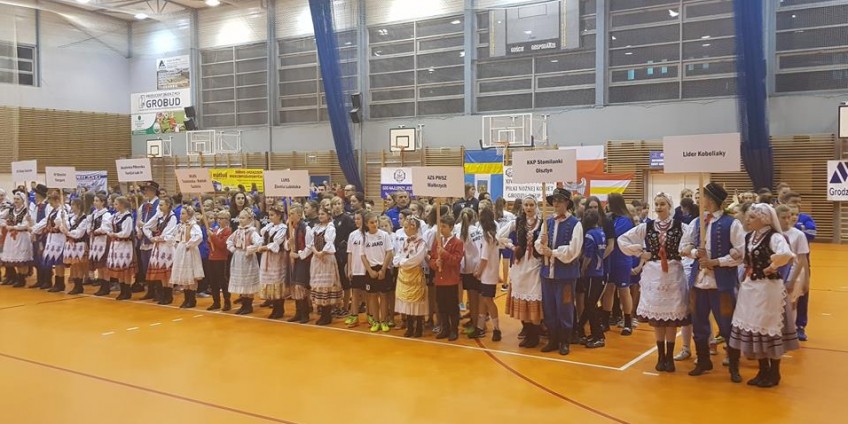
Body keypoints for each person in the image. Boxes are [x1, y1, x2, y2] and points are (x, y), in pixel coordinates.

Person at [729, 203, 799, 388]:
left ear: (764, 219)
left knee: (767, 327)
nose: (748, 219)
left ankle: (774, 372)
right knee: (755, 328)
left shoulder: (774, 237)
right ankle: (762, 370)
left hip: (768, 289)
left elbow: (786, 254)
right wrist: (735, 254)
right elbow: (744, 256)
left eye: (752, 217)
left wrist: (773, 266)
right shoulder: (749, 237)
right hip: (751, 288)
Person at [619, 193, 690, 372]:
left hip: (673, 274)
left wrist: (687, 250)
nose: (659, 208)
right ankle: (660, 356)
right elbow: (622, 239)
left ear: (669, 206)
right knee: (658, 318)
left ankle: (670, 356)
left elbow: (692, 242)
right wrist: (639, 252)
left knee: (671, 318)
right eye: (657, 204)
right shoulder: (647, 226)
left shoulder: (681, 226)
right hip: (654, 274)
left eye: (662, 204)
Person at [680, 183, 745, 380]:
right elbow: (683, 247)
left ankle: (734, 366)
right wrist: (694, 252)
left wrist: (716, 262)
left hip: (721, 284)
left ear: (711, 200)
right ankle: (703, 360)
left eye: (703, 196)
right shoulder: (696, 222)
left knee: (726, 325)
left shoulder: (732, 224)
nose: (700, 200)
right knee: (699, 324)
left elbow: (741, 253)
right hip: (698, 283)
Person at [536, 188, 583, 356]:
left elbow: (573, 250)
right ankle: (553, 339)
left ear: (567, 203)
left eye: (559, 200)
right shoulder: (547, 222)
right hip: (547, 274)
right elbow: (538, 244)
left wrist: (553, 252)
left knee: (565, 308)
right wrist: (541, 245)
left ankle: (565, 341)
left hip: (566, 275)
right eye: (554, 200)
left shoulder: (575, 224)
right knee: (549, 308)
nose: (556, 203)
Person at [499, 196, 543, 348]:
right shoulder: (517, 222)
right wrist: (513, 247)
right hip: (521, 265)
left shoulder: (542, 223)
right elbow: (500, 236)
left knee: (534, 298)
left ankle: (535, 336)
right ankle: (528, 332)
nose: (529, 208)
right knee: (523, 297)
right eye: (526, 205)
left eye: (531, 205)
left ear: (535, 206)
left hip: (535, 265)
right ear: (523, 207)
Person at [600, 193, 635, 336]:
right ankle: (605, 321)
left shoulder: (625, 219)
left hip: (622, 259)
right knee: (608, 289)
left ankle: (628, 323)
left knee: (623, 290)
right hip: (609, 259)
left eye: (609, 202)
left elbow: (613, 235)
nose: (607, 205)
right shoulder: (609, 217)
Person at [782, 190, 815, 341]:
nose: (798, 206)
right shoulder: (779, 226)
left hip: (801, 263)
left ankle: (799, 326)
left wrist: (798, 226)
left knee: (799, 297)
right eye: (793, 203)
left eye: (799, 204)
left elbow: (811, 233)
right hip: (782, 268)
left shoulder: (805, 219)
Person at [305, 208, 344, 325]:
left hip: (326, 258)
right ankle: (323, 313)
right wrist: (316, 252)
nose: (320, 216)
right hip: (317, 259)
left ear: (328, 215)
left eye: (323, 214)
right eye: (319, 214)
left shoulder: (330, 228)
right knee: (319, 285)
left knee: (326, 286)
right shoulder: (315, 228)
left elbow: (329, 243)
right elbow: (310, 243)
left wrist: (321, 253)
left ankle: (327, 315)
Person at [429, 213, 464, 341]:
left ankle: (454, 329)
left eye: (444, 226)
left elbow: (456, 260)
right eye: (440, 226)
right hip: (440, 280)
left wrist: (444, 254)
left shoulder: (457, 243)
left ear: (451, 227)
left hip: (451, 280)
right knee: (441, 305)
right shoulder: (437, 242)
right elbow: (432, 259)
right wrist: (435, 263)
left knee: (452, 306)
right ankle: (445, 328)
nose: (441, 229)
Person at [393, 216, 429, 337]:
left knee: (417, 301)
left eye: (406, 227)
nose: (404, 229)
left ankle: (418, 326)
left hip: (415, 275)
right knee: (407, 301)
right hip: (404, 275)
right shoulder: (406, 241)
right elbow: (398, 254)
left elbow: (417, 259)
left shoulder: (421, 243)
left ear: (414, 228)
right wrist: (398, 261)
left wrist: (402, 263)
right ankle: (409, 326)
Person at [471, 207, 502, 342]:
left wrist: (478, 271)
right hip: (489, 273)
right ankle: (479, 326)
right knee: (483, 300)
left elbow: (484, 258)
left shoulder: (487, 236)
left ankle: (497, 329)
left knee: (488, 301)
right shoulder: (492, 235)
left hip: (488, 274)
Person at [361, 212, 394, 332]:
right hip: (371, 269)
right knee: (373, 296)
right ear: (366, 224)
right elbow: (363, 256)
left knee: (384, 296)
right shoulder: (364, 237)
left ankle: (384, 320)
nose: (374, 224)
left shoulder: (384, 235)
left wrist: (383, 270)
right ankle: (376, 321)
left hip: (383, 268)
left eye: (376, 221)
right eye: (372, 222)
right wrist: (370, 271)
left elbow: (389, 252)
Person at [578, 209, 606, 348]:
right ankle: (580, 328)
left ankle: (598, 336)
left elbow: (588, 256)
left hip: (592, 274)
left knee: (590, 304)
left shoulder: (589, 235)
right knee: (591, 303)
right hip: (600, 272)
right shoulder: (601, 232)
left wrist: (583, 269)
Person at [167, 206, 204, 309]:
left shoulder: (193, 226)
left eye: (183, 214)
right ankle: (186, 298)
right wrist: (174, 243)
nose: (181, 215)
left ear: (189, 215)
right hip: (181, 250)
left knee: (191, 274)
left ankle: (192, 299)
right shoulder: (180, 226)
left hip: (190, 251)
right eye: (180, 213)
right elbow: (173, 236)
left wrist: (189, 244)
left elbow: (199, 237)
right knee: (184, 274)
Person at [227, 209, 262, 315]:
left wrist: (249, 250)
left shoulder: (252, 232)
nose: (241, 220)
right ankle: (244, 304)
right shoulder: (237, 231)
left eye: (243, 218)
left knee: (248, 281)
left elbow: (259, 242)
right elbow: (229, 241)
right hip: (238, 257)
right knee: (242, 280)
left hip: (248, 258)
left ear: (249, 219)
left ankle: (248, 306)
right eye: (240, 218)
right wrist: (233, 249)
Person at [32, 192, 69, 292]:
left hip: (59, 238)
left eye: (51, 201)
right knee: (55, 261)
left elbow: (63, 225)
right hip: (52, 238)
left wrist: (60, 222)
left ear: (57, 200)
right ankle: (57, 282)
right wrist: (34, 228)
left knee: (59, 262)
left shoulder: (62, 211)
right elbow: (45, 221)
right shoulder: (53, 211)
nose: (50, 203)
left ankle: (60, 283)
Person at [144, 197, 178, 304]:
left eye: (162, 205)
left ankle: (169, 295)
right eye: (159, 205)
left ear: (168, 205)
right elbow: (146, 226)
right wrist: (150, 237)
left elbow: (168, 233)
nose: (159, 207)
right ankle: (163, 295)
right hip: (158, 246)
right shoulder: (159, 216)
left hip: (167, 247)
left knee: (167, 273)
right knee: (161, 273)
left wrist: (159, 238)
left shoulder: (172, 217)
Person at [257, 205, 289, 319]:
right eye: (269, 215)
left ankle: (279, 308)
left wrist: (264, 247)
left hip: (277, 257)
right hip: (267, 257)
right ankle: (275, 307)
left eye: (272, 215)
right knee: (270, 283)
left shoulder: (283, 228)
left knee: (277, 282)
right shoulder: (269, 227)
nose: (270, 217)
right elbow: (262, 238)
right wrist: (260, 245)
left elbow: (276, 243)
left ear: (279, 216)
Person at [456, 208, 483, 336]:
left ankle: (476, 324)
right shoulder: (477, 230)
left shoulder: (460, 231)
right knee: (475, 298)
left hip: (469, 268)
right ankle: (474, 320)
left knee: (473, 298)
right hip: (477, 266)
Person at [0, 191, 34, 288]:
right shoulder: (11, 210)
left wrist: (14, 227)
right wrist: (5, 224)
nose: (15, 201)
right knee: (15, 258)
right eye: (14, 199)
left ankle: (22, 278)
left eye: (18, 199)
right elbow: (2, 218)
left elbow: (26, 224)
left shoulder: (26, 211)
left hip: (22, 236)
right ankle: (18, 277)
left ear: (23, 200)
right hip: (11, 237)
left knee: (22, 259)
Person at [104, 197, 137, 299]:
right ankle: (122, 290)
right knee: (119, 268)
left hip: (125, 245)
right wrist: (109, 231)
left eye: (116, 204)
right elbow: (105, 224)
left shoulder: (128, 217)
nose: (114, 206)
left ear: (122, 205)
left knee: (125, 269)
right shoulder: (116, 216)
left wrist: (115, 234)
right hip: (116, 245)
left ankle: (127, 291)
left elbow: (126, 232)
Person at [331, 196, 356, 317]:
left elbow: (352, 233)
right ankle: (337, 305)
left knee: (345, 281)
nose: (337, 206)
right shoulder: (331, 219)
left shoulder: (346, 218)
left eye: (339, 204)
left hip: (343, 253)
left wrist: (345, 243)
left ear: (342, 205)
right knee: (337, 281)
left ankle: (345, 307)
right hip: (333, 253)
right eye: (334, 204)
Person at [286, 205, 312, 323]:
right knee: (294, 286)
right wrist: (289, 243)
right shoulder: (290, 228)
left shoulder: (305, 228)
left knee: (300, 287)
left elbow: (309, 246)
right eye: (289, 214)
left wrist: (299, 255)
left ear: (299, 215)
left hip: (302, 260)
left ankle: (305, 314)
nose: (290, 216)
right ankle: (298, 312)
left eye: (292, 213)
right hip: (293, 260)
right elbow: (286, 246)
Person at [136, 182, 161, 296]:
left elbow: (158, 222)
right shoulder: (143, 205)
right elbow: (138, 220)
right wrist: (138, 230)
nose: (146, 192)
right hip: (143, 239)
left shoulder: (159, 204)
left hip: (153, 238)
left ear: (154, 191)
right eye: (145, 189)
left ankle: (157, 290)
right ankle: (150, 290)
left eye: (148, 189)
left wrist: (145, 226)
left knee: (154, 265)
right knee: (146, 265)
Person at [61, 198, 90, 295]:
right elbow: (66, 228)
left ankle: (79, 286)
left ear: (79, 206)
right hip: (71, 244)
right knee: (74, 266)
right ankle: (76, 285)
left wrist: (68, 233)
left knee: (79, 266)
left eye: (73, 205)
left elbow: (79, 233)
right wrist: (63, 221)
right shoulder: (71, 217)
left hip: (79, 244)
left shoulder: (84, 218)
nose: (71, 207)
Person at [344, 210, 367, 327]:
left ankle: (371, 316)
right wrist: (349, 269)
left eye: (358, 219)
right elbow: (350, 253)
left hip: (366, 269)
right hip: (355, 268)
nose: (356, 221)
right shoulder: (352, 235)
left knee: (367, 295)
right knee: (355, 293)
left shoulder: (369, 234)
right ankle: (354, 316)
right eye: (355, 219)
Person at [207, 211, 233, 311]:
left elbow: (222, 244)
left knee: (223, 281)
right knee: (213, 281)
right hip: (212, 257)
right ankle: (216, 302)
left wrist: (213, 237)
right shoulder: (215, 229)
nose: (219, 220)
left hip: (221, 258)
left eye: (222, 218)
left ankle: (227, 302)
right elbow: (211, 244)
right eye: (218, 218)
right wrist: (209, 239)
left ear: (227, 220)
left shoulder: (228, 231)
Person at [87, 193, 112, 293]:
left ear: (103, 202)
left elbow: (105, 228)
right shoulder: (94, 214)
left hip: (103, 240)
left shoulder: (107, 214)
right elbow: (90, 225)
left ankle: (106, 286)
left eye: (97, 201)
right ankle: (102, 285)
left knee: (104, 265)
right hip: (95, 241)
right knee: (99, 265)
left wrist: (96, 230)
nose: (94, 202)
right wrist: (90, 230)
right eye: (94, 200)